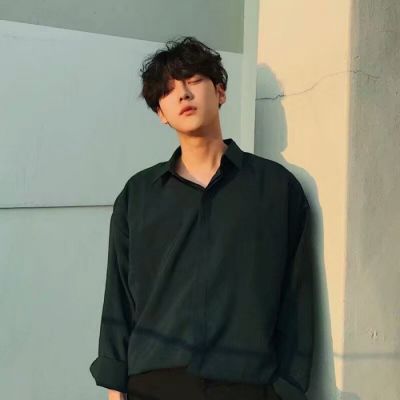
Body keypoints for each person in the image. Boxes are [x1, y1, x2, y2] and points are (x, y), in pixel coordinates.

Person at [89, 36, 314, 400]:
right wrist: (116, 389)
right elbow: (118, 295)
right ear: (161, 113)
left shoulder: (276, 188)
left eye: (193, 80)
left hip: (246, 384)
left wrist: (287, 389)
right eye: (169, 90)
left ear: (220, 92)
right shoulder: (139, 194)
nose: (183, 94)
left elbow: (298, 295)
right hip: (155, 383)